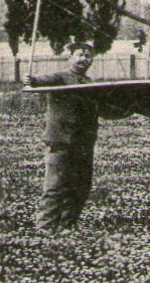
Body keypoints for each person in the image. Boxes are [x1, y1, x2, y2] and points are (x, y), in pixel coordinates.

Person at [24, 44, 113, 231]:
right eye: (80, 55)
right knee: (55, 186)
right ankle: (45, 228)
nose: (84, 59)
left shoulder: (91, 83)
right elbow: (38, 82)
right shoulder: (59, 78)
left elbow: (104, 107)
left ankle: (67, 225)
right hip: (61, 140)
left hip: (84, 141)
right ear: (70, 57)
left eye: (88, 56)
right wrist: (31, 80)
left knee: (81, 186)